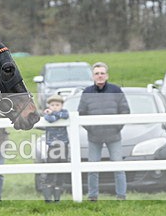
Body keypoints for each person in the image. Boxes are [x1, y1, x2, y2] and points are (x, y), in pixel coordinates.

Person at [77, 62, 130, 201]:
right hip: (94, 137)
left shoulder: (116, 90)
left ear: (106, 75)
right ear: (93, 76)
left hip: (114, 136)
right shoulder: (87, 92)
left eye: (102, 73)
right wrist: (92, 129)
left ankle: (121, 196)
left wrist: (116, 127)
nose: (99, 76)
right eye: (96, 74)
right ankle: (92, 196)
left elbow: (125, 110)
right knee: (93, 168)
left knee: (118, 167)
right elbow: (81, 113)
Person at [40, 94, 70, 203]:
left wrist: (54, 113)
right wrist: (53, 114)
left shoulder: (64, 112)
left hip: (63, 146)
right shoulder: (48, 115)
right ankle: (48, 198)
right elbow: (50, 119)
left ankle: (57, 198)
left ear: (62, 105)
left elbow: (65, 115)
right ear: (49, 105)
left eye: (57, 105)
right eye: (52, 105)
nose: (55, 107)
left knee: (61, 170)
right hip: (52, 146)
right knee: (51, 170)